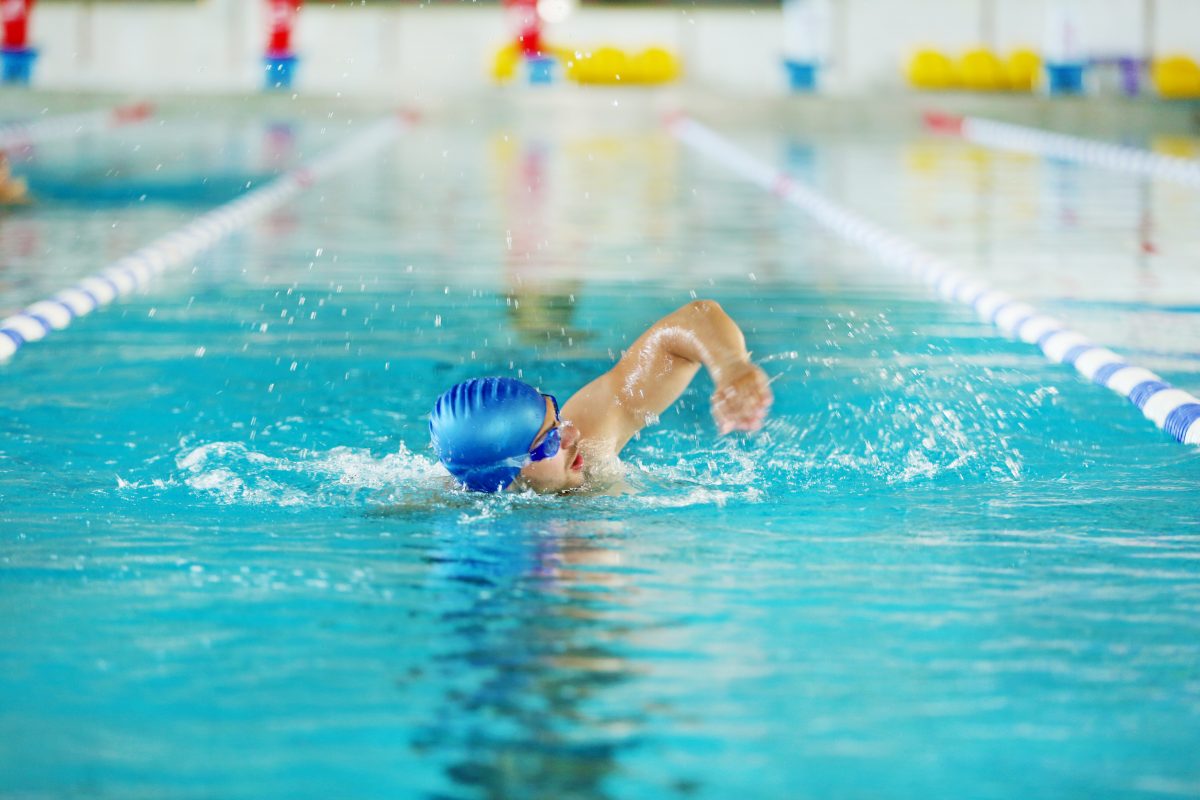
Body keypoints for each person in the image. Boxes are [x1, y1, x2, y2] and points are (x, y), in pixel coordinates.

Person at [429, 299, 773, 494]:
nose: (572, 433)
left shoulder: (589, 452)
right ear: (502, 478)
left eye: (556, 418)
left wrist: (731, 367)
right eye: (550, 441)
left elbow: (692, 320)